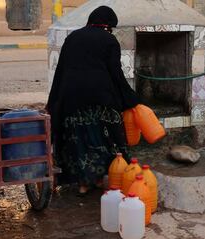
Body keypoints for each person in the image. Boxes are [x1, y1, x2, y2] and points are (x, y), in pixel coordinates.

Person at [46, 6, 140, 195]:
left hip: (71, 97)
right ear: (107, 25)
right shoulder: (109, 40)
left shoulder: (72, 37)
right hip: (100, 98)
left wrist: (54, 100)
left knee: (79, 140)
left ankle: (84, 182)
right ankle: (98, 178)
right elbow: (115, 73)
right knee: (105, 139)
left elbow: (60, 71)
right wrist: (130, 98)